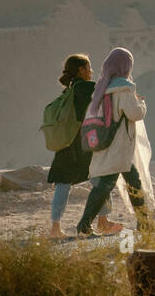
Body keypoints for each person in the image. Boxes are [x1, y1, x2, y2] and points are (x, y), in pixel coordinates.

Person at [75, 47, 155, 238]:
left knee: (132, 181)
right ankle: (84, 225)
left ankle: (144, 224)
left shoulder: (102, 89)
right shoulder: (124, 89)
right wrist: (142, 103)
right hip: (119, 147)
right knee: (106, 184)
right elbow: (135, 113)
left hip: (105, 144)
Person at [47, 54, 123, 239]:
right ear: (81, 70)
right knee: (102, 179)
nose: (91, 71)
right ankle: (103, 221)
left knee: (63, 183)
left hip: (67, 143)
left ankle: (55, 227)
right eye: (88, 67)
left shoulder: (69, 91)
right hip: (85, 142)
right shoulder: (89, 88)